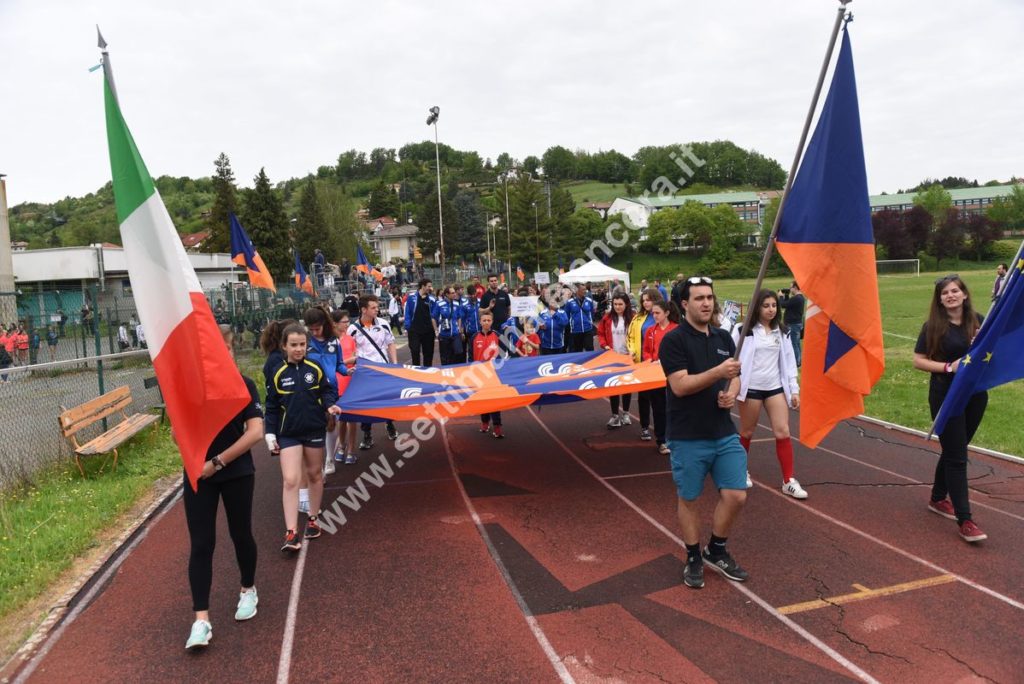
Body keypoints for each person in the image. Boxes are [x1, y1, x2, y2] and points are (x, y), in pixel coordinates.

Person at [660, 275, 747, 589]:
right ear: (684, 305)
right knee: (690, 499)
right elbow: (680, 385)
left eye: (709, 297)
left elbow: (735, 376)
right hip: (688, 435)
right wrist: (717, 374)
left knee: (736, 494)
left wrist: (731, 391)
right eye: (699, 298)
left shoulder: (724, 338)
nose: (706, 303)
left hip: (723, 431)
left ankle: (717, 549)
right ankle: (694, 555)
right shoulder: (673, 340)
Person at [183, 325, 264, 650]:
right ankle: (201, 620)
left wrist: (216, 462)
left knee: (240, 533)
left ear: (233, 352)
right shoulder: (190, 390)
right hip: (198, 477)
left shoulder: (244, 386)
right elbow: (181, 433)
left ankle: (248, 589)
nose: (223, 357)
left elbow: (255, 432)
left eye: (227, 350)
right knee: (201, 544)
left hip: (236, 473)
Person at [913, 275, 988, 543]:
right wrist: (948, 366)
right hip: (946, 394)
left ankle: (936, 498)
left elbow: (990, 354)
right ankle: (965, 520)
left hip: (976, 394)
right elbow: (918, 361)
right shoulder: (932, 326)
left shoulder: (978, 320)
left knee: (956, 449)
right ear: (939, 299)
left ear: (965, 294)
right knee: (957, 457)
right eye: (945, 293)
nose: (951, 295)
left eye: (955, 290)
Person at [264, 323, 341, 553]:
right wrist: (270, 433)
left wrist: (330, 406)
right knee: (290, 479)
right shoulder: (277, 372)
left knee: (315, 474)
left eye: (302, 345)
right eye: (293, 345)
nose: (298, 349)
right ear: (284, 346)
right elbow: (271, 405)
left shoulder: (314, 367)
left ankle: (313, 518)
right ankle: (291, 532)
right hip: (288, 433)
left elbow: (327, 391)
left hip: (313, 429)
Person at [733, 289, 804, 498]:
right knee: (746, 432)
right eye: (766, 306)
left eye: (774, 305)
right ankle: (740, 472)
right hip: (751, 388)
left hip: (774, 388)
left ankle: (788, 480)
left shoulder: (782, 331)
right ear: (757, 307)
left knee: (783, 431)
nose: (771, 309)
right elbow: (730, 355)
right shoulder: (743, 330)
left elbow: (790, 362)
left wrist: (794, 389)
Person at [349, 294, 399, 450]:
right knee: (367, 404)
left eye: (377, 307)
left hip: (384, 369)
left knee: (387, 400)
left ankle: (390, 424)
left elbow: (391, 343)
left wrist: (394, 364)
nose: (377, 310)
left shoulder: (384, 324)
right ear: (363, 309)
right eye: (373, 307)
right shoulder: (353, 329)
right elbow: (349, 350)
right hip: (365, 373)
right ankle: (367, 434)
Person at [303, 307, 347, 476]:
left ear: (324, 324)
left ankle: (329, 458)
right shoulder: (305, 342)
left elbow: (339, 364)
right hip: (311, 390)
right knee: (315, 427)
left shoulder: (334, 341)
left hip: (331, 389)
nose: (314, 332)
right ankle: (316, 465)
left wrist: (346, 371)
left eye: (317, 328)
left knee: (330, 424)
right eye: (310, 329)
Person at [642, 300, 680, 454]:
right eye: (653, 313)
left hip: (674, 374)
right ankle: (662, 440)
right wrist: (651, 360)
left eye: (657, 313)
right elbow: (646, 351)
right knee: (659, 408)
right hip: (656, 374)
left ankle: (678, 438)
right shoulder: (651, 331)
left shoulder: (677, 330)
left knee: (676, 406)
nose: (655, 316)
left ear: (667, 313)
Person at [628, 289, 661, 441]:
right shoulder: (638, 318)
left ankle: (663, 430)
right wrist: (633, 351)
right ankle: (645, 427)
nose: (645, 303)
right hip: (642, 363)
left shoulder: (662, 316)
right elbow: (631, 337)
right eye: (643, 300)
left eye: (649, 300)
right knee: (643, 397)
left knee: (660, 399)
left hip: (661, 365)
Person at [597, 292, 635, 428]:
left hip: (627, 357)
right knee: (613, 386)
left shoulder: (633, 318)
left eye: (620, 304)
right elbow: (600, 333)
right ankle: (615, 416)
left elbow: (637, 335)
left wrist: (633, 350)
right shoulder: (607, 318)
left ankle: (625, 413)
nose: (618, 307)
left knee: (626, 386)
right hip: (612, 357)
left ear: (626, 304)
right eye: (615, 304)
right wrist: (604, 345)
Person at [330, 309, 359, 465]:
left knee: (351, 418)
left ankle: (351, 450)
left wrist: (352, 360)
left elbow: (354, 358)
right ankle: (341, 447)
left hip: (349, 381)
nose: (347, 324)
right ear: (335, 323)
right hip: (336, 381)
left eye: (348, 321)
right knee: (340, 418)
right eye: (344, 322)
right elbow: (334, 362)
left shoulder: (350, 339)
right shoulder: (331, 341)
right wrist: (351, 359)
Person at [472, 311, 504, 438]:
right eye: (484, 320)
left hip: (494, 375)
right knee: (482, 400)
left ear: (492, 321)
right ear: (480, 322)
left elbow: (503, 353)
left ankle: (497, 426)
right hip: (479, 375)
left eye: (488, 320)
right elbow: (470, 355)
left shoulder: (497, 335)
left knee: (495, 401)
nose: (486, 322)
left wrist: (496, 362)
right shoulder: (474, 336)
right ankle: (485, 423)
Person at [404, 278, 436, 367]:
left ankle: (428, 371)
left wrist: (435, 328)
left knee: (428, 353)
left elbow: (435, 314)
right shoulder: (411, 298)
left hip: (428, 331)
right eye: (429, 286)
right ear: (423, 286)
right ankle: (416, 370)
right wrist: (408, 327)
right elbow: (407, 313)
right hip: (414, 330)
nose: (430, 288)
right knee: (415, 351)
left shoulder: (432, 299)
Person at [434, 285, 464, 366]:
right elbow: (433, 317)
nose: (455, 294)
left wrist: (459, 328)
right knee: (445, 357)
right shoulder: (439, 304)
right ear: (447, 294)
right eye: (452, 293)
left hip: (455, 334)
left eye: (454, 292)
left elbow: (459, 317)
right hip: (444, 334)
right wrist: (436, 330)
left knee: (457, 355)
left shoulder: (456, 303)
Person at [778, 282, 805, 367]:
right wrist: (786, 295)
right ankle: (798, 361)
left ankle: (797, 363)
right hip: (795, 324)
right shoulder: (799, 298)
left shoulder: (797, 298)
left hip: (793, 325)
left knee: (794, 344)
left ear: (795, 287)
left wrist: (781, 296)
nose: (790, 289)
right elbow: (788, 305)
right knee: (796, 343)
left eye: (791, 287)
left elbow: (782, 304)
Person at [564, 283, 595, 353]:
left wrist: (589, 322)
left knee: (590, 350)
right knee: (577, 352)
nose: (585, 291)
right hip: (575, 331)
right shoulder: (569, 302)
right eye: (583, 289)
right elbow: (566, 316)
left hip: (588, 330)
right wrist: (572, 326)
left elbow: (592, 313)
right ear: (577, 290)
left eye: (585, 289)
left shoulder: (589, 301)